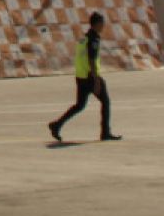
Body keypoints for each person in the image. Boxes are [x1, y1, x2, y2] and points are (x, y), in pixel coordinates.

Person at [49, 12, 122, 142]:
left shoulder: (84, 38)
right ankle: (105, 132)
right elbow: (91, 60)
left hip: (81, 76)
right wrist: (96, 81)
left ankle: (57, 124)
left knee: (80, 105)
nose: (103, 26)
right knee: (105, 102)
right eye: (102, 23)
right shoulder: (94, 39)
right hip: (90, 76)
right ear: (97, 24)